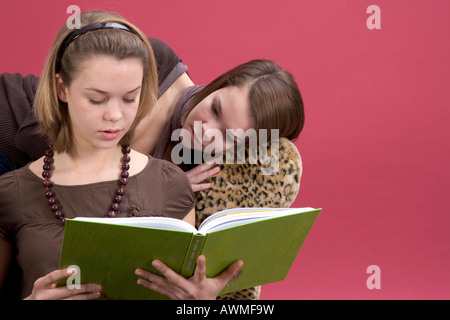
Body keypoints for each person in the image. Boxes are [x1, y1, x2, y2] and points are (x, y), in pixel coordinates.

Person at [0, 10, 242, 300]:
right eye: (97, 99)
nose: (115, 116)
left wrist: (200, 304)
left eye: (130, 98)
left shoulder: (171, 184)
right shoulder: (11, 192)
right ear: (61, 89)